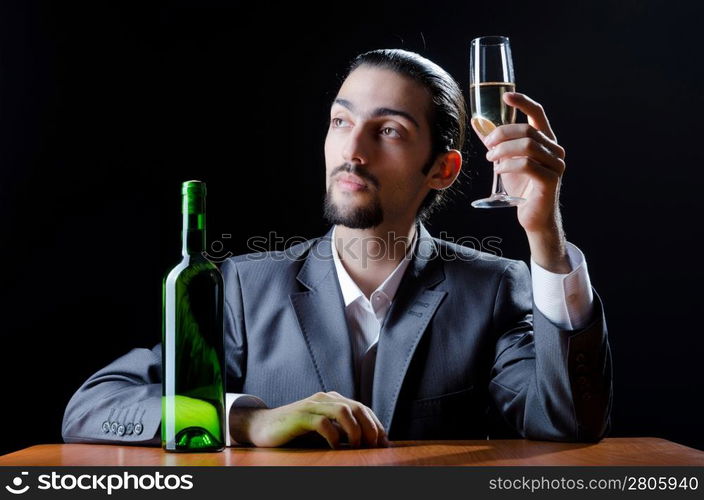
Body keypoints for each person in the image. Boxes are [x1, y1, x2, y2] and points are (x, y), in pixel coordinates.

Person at [62, 49, 611, 449]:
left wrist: (546, 239)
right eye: (341, 121)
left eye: (389, 130)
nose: (352, 150)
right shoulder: (242, 288)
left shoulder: (495, 288)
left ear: (442, 170)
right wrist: (245, 420)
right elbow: (94, 406)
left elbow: (569, 425)